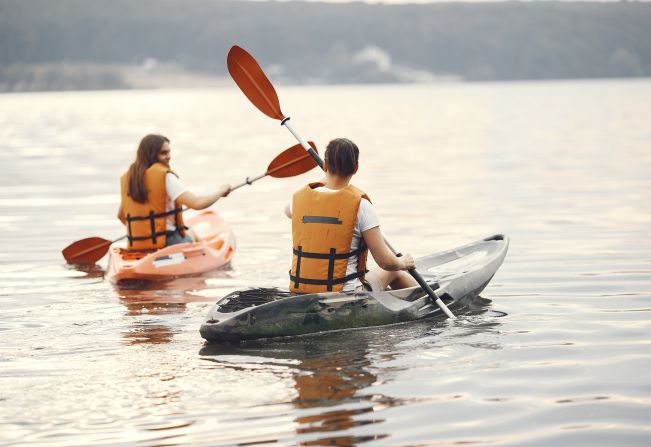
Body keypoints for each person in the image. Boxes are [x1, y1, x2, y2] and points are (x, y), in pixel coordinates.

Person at [285, 137, 417, 293]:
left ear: (326, 166)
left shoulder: (299, 200)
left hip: (303, 291)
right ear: (356, 169)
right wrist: (403, 262)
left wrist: (326, 177)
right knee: (393, 271)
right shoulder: (361, 206)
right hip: (346, 294)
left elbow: (288, 211)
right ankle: (427, 300)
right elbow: (385, 262)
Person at [117, 134, 230, 250]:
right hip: (168, 242)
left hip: (139, 245)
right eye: (163, 153)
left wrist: (144, 233)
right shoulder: (165, 177)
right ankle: (206, 252)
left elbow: (121, 216)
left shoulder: (131, 179)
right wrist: (221, 192)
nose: (168, 157)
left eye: (169, 152)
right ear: (151, 155)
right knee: (190, 231)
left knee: (187, 230)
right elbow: (198, 203)